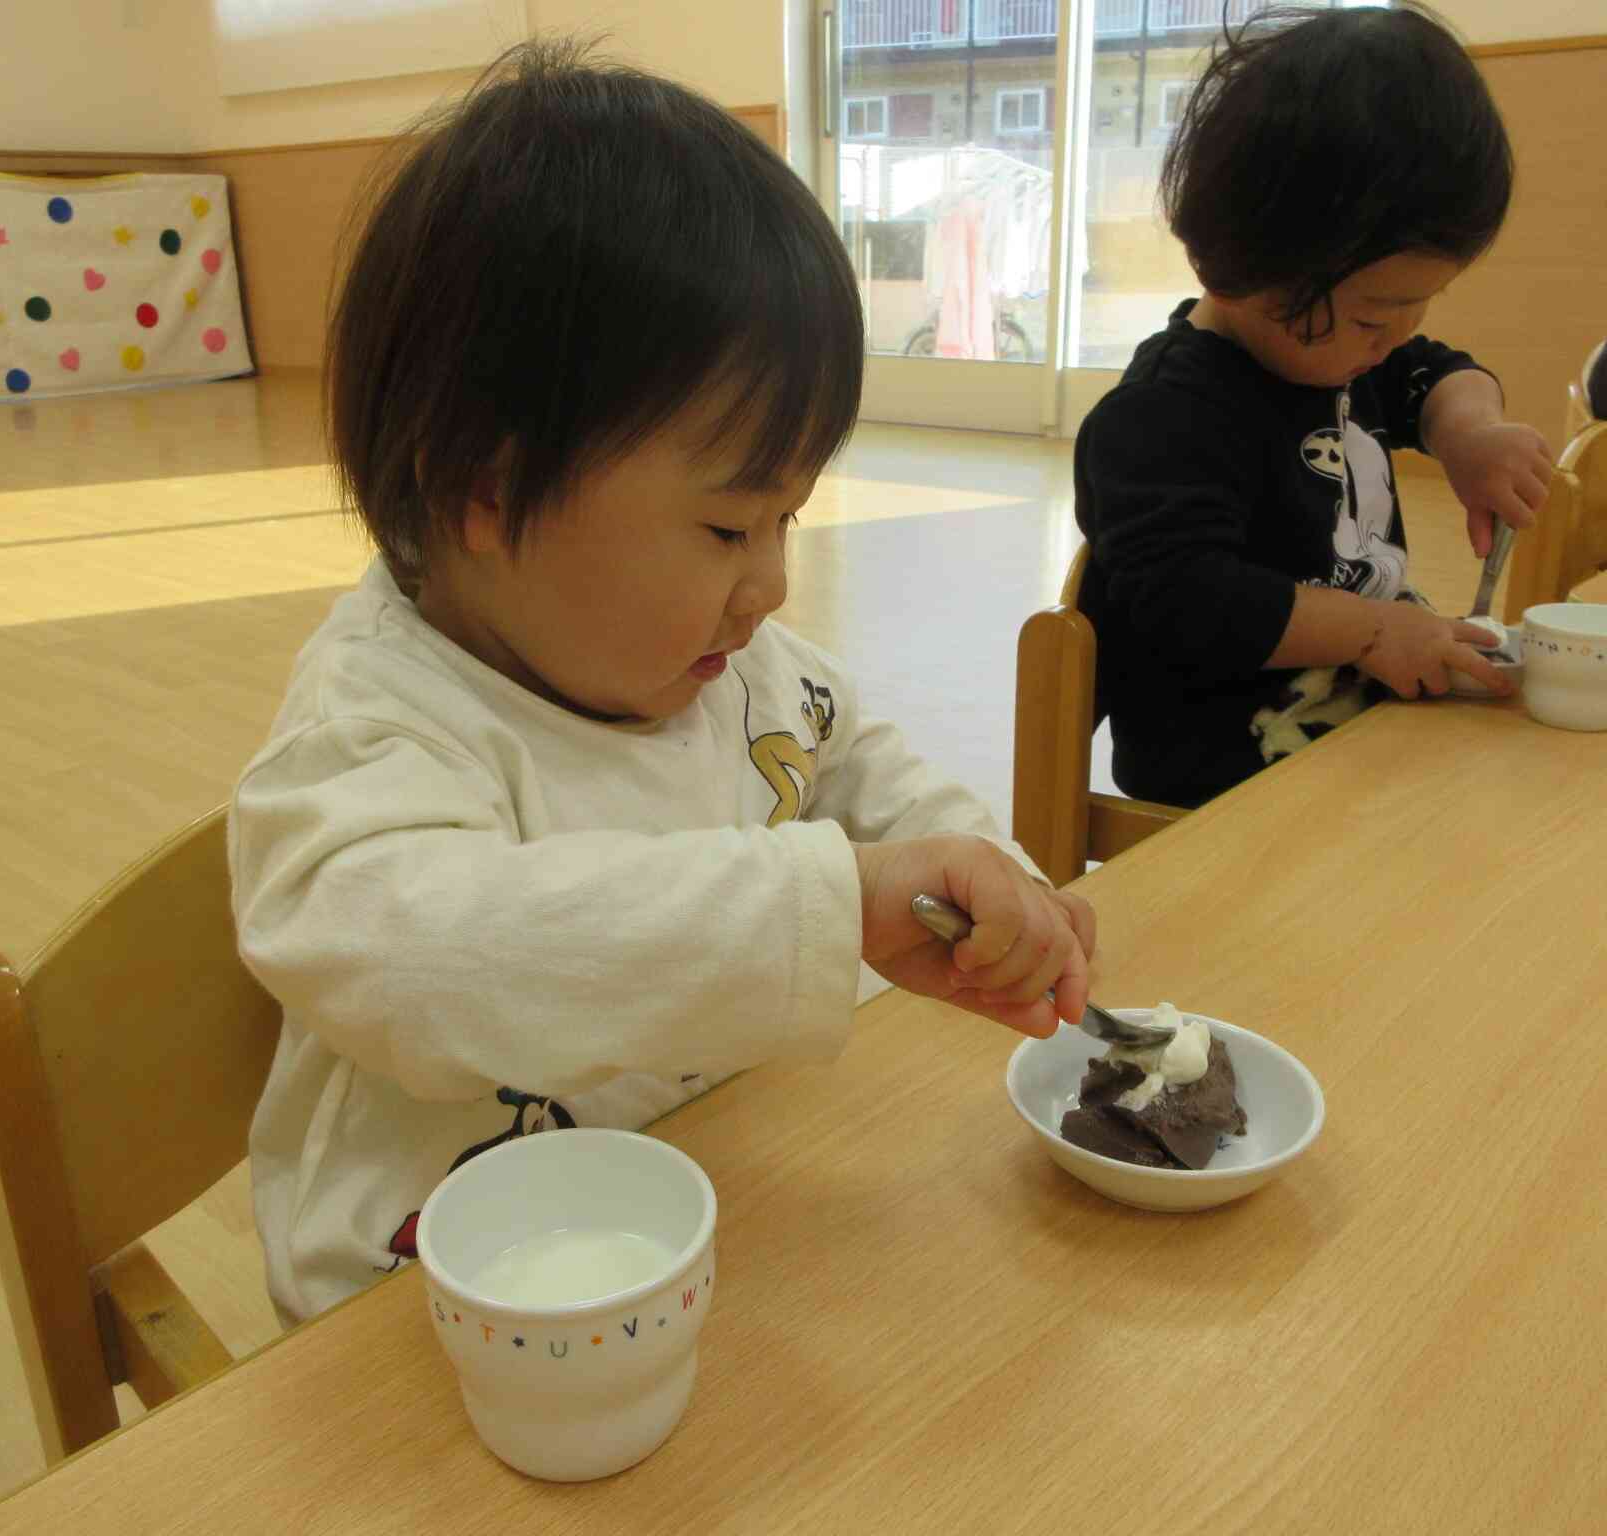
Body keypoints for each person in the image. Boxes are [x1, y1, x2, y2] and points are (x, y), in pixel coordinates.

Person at [229, 39, 1095, 1323]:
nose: (772, 586)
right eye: (730, 528)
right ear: (487, 488)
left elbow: (852, 758)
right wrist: (835, 904)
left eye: (790, 520)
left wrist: (978, 863)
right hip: (442, 1311)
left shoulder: (721, 663)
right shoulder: (376, 732)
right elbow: (421, 958)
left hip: (702, 1194)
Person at [1073, 4, 1553, 809]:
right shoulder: (1161, 419)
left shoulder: (1346, 353)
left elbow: (1436, 374)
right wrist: (1370, 630)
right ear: (1244, 267)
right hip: (1226, 787)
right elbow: (1186, 601)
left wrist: (1472, 434)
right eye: (1375, 315)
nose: (1397, 336)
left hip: (1360, 745)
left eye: (1423, 302)